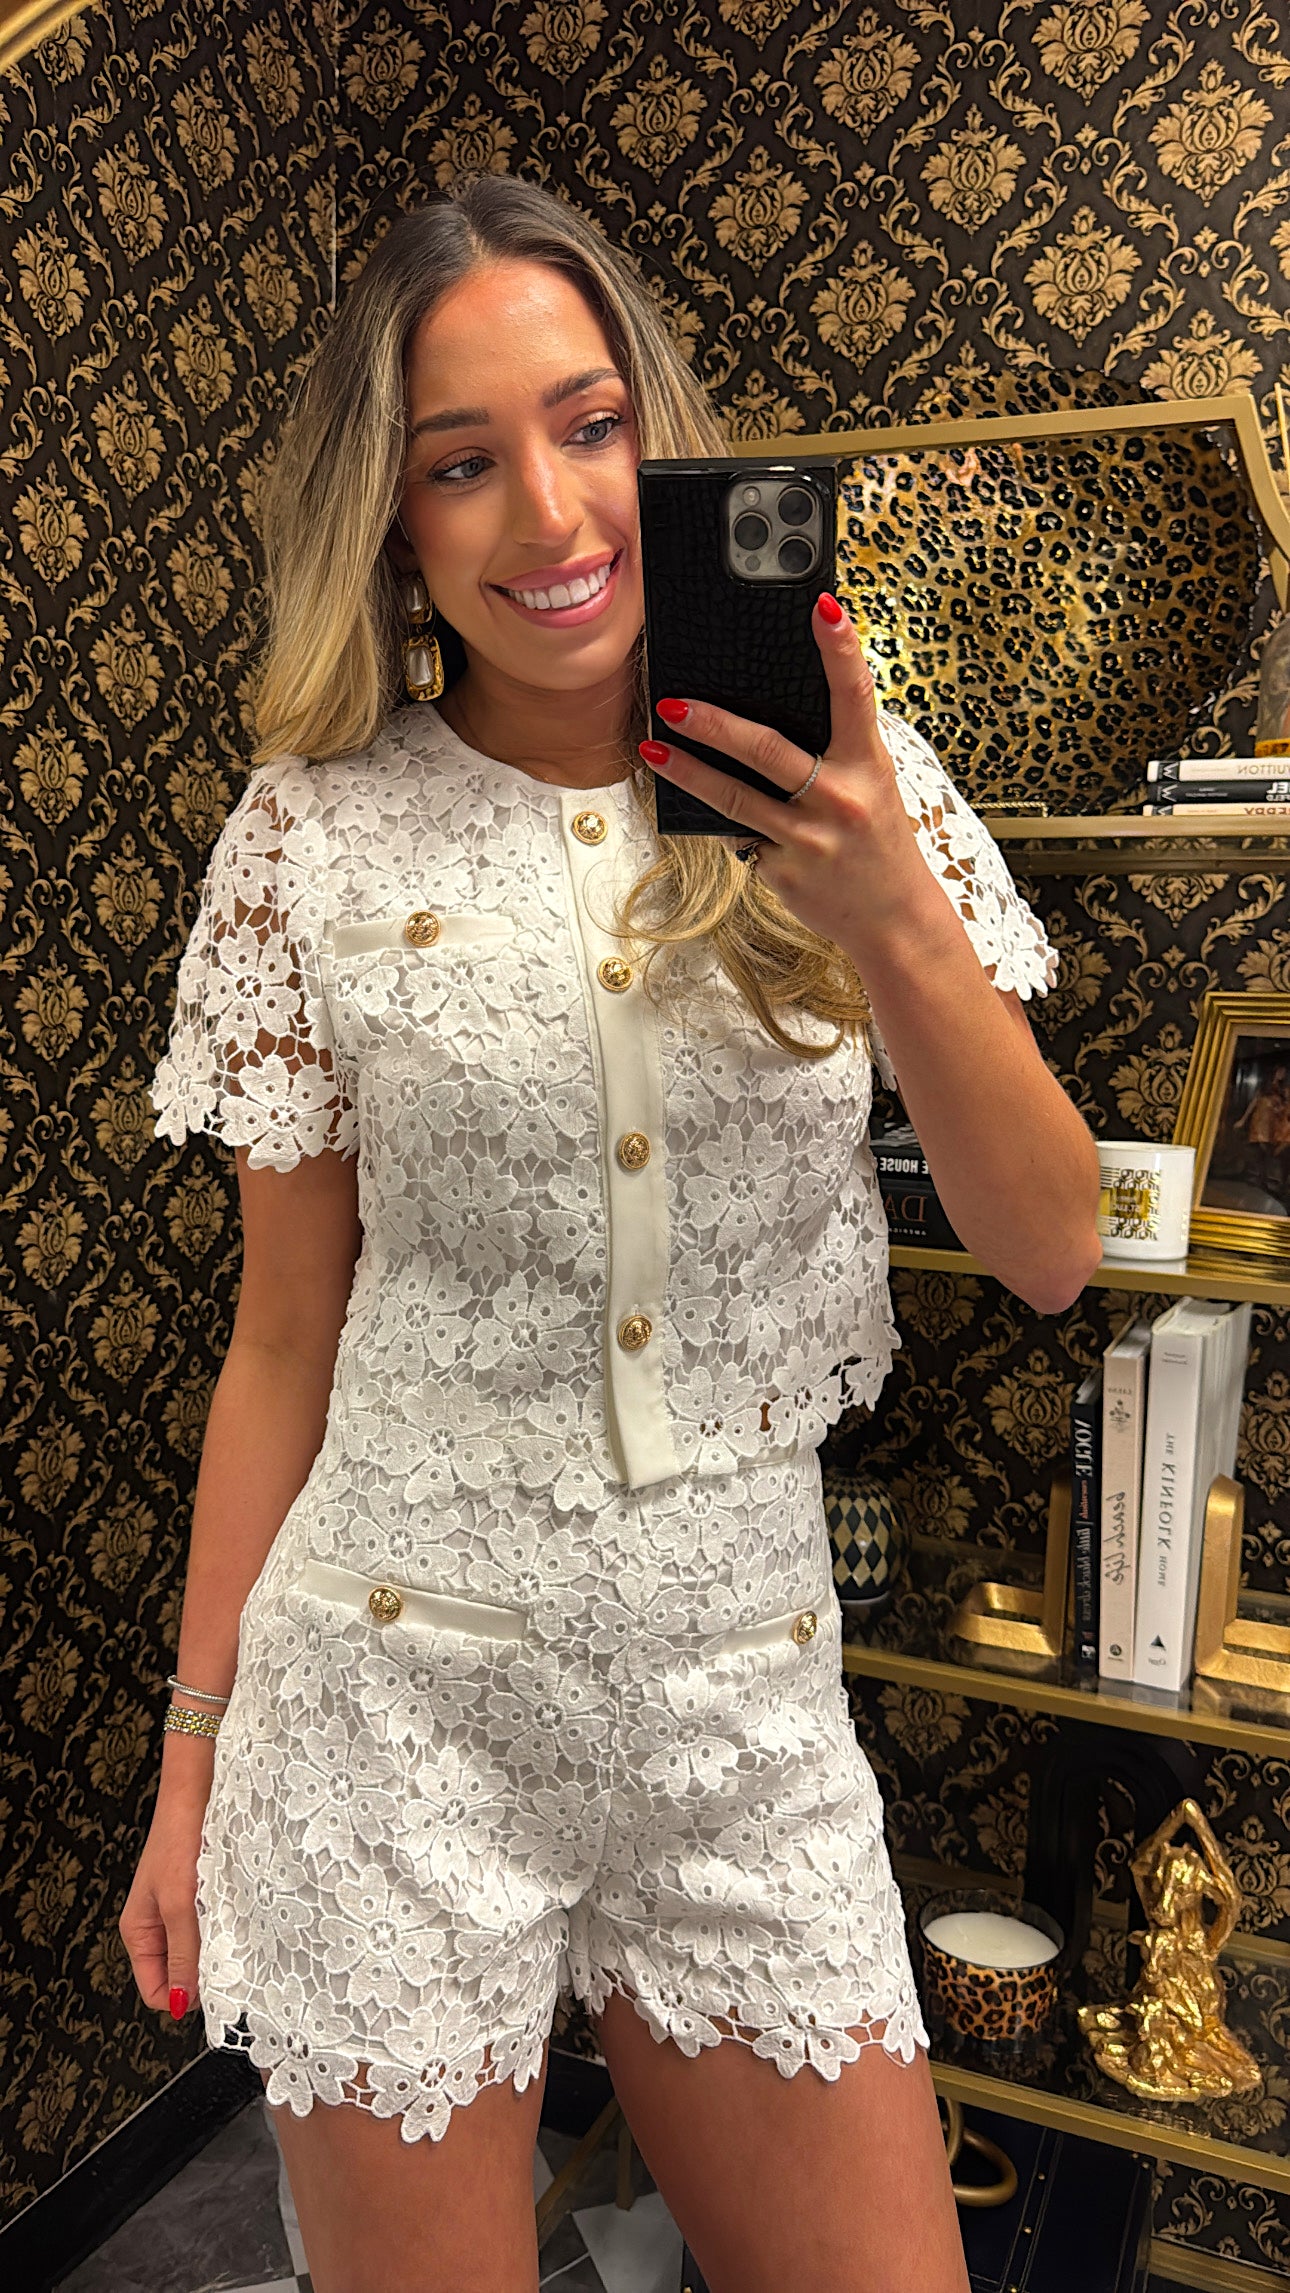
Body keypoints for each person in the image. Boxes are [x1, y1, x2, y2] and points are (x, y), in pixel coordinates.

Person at [120, 177, 1102, 2293]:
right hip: (387, 1711)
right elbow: (281, 1339)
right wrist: (189, 1765)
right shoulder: (309, 839)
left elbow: (1048, 1246)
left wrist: (890, 914)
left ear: (660, 440)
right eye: (462, 462)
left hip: (744, 1712)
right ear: (394, 520)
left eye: (587, 427)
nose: (551, 514)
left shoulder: (865, 793)